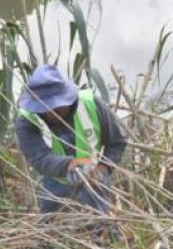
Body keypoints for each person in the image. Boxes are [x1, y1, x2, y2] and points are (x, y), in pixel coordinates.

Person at [15, 65, 126, 214]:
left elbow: (117, 142)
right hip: (56, 180)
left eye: (57, 107)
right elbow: (39, 158)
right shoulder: (27, 121)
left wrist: (103, 168)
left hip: (93, 176)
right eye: (44, 109)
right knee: (51, 224)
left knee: (98, 221)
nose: (51, 113)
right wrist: (70, 165)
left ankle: (100, 225)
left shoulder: (91, 104)